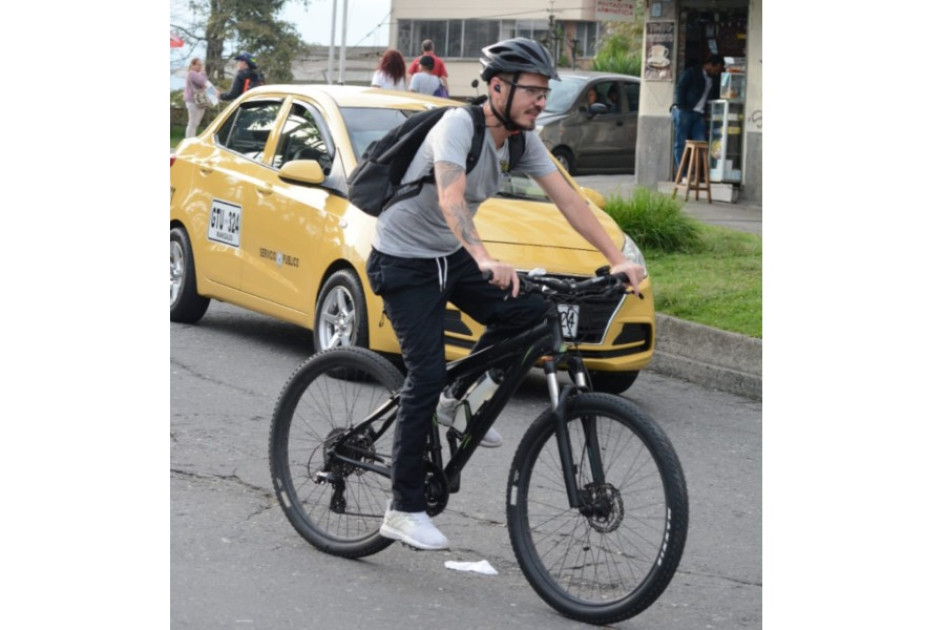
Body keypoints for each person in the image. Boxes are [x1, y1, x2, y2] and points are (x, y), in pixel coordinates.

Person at [366, 37, 645, 551]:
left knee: (530, 312)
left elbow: (570, 202)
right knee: (424, 373)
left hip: (451, 255)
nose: (541, 101)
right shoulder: (458, 127)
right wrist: (485, 257)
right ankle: (402, 509)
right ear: (497, 87)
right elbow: (451, 198)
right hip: (404, 260)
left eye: (544, 91)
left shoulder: (521, 139)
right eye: (532, 91)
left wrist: (616, 256)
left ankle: (457, 398)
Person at [671, 54, 725, 177]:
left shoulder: (713, 79)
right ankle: (684, 173)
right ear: (710, 64)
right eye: (716, 69)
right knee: (680, 143)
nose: (717, 72)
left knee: (702, 144)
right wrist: (682, 106)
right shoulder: (692, 72)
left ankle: (702, 172)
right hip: (685, 112)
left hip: (699, 115)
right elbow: (680, 87)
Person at [184, 58, 209, 138]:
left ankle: (191, 138)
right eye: (198, 64)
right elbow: (203, 82)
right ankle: (189, 140)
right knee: (193, 122)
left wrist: (202, 74)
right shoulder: (192, 73)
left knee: (196, 122)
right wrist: (203, 73)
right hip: (192, 101)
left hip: (198, 100)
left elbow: (205, 83)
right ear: (192, 65)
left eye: (201, 65)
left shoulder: (197, 74)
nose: (200, 66)